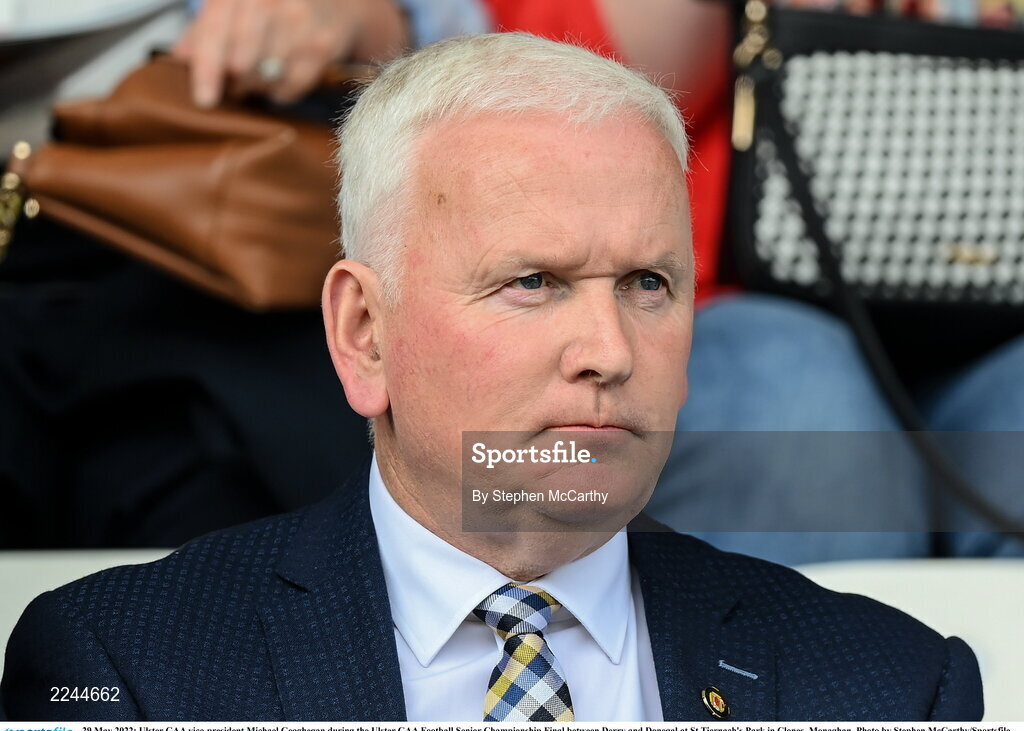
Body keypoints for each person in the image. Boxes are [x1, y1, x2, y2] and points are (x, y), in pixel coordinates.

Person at [1, 34, 982, 722]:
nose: (608, 347)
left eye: (648, 281)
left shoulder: (893, 683)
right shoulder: (125, 666)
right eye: (533, 282)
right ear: (364, 333)